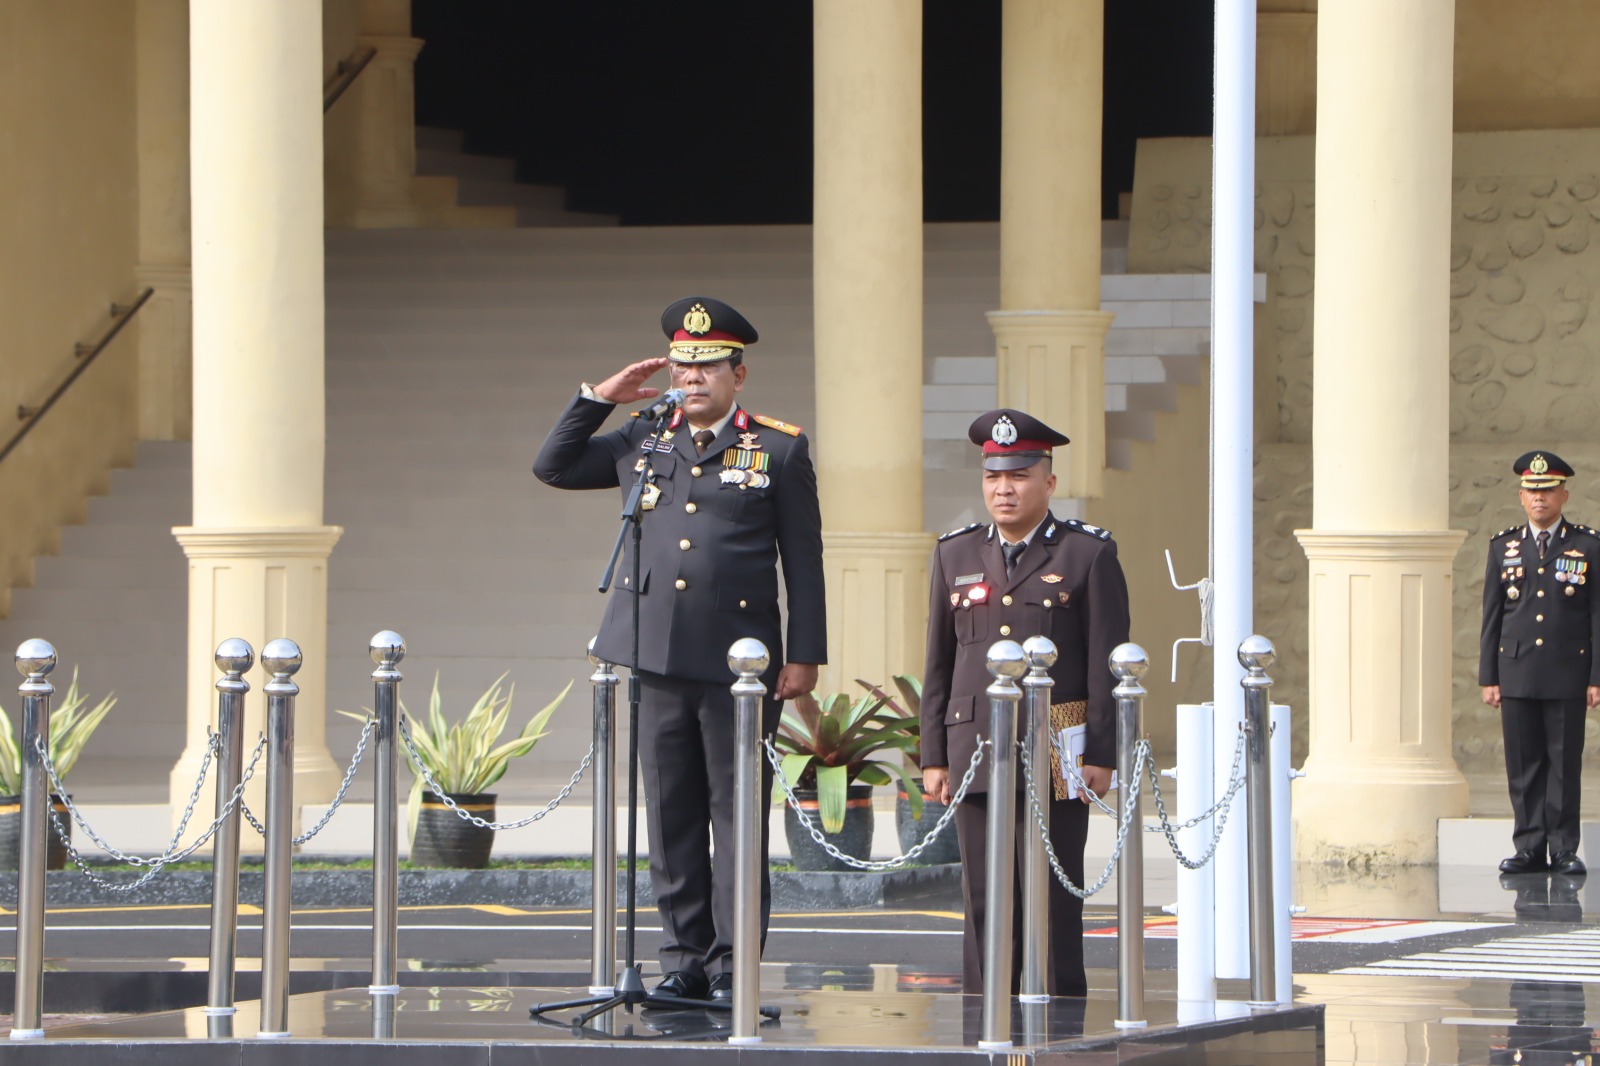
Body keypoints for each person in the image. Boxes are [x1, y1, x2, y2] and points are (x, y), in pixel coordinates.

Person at [533, 296, 826, 1000]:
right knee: (670, 819)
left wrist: (805, 654)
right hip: (655, 654)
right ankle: (683, 963)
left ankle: (733, 967)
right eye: (683, 366)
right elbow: (554, 466)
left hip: (740, 665)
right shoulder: (644, 436)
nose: (692, 379)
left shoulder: (777, 449)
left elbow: (804, 561)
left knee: (735, 818)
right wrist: (598, 400)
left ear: (738, 375)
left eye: (708, 367)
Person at [919, 408, 1129, 996]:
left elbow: (1107, 664)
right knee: (984, 896)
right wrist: (933, 755)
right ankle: (986, 1019)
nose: (1004, 490)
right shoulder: (954, 555)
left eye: (1019, 476)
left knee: (1051, 894)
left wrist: (1101, 755)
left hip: (1058, 746)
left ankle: (1059, 1022)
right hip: (975, 742)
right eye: (993, 478)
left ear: (1049, 483)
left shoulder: (1086, 556)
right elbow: (938, 663)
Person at [1480, 450, 1600, 877]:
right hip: (1516, 671)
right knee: (1523, 764)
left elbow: (1597, 615)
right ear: (1520, 496)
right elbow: (1492, 616)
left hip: (1568, 671)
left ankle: (1564, 848)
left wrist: (1596, 676)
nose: (1539, 499)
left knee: (1564, 765)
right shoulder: (1503, 546)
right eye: (1532, 492)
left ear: (1563, 495)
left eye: (1548, 491)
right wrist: (1488, 677)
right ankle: (1529, 846)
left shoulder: (1587, 545)